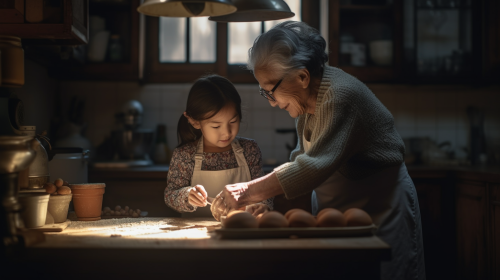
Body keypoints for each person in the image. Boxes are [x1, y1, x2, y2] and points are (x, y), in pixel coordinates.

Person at [219, 21, 426, 280]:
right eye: (265, 93)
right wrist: (260, 196)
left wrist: (247, 191)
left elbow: (312, 167)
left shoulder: (340, 96)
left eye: (271, 91)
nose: (272, 103)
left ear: (302, 77)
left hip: (382, 204)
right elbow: (300, 159)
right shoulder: (306, 102)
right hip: (341, 211)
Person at [164, 75, 272, 218]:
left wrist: (262, 206)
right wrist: (187, 195)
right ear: (195, 122)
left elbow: (263, 192)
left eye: (233, 122)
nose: (226, 133)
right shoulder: (185, 155)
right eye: (216, 126)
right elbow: (170, 195)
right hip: (195, 234)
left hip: (241, 230)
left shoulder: (249, 150)